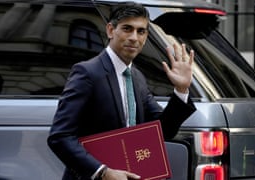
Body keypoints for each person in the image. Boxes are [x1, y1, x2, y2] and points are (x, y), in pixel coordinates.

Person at [47, 2, 196, 180]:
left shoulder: (137, 77)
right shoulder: (87, 72)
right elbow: (60, 136)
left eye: (141, 31)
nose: (134, 37)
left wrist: (181, 89)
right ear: (110, 30)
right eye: (127, 29)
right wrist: (103, 172)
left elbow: (162, 131)